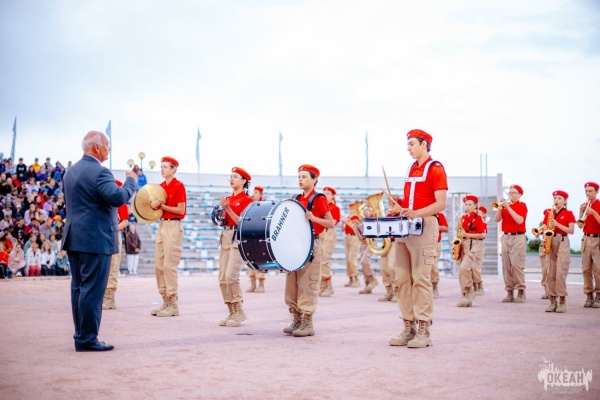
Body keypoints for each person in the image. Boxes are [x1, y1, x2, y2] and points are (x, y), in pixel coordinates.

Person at [62, 130, 137, 352]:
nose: (109, 149)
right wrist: (131, 182)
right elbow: (118, 197)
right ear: (97, 147)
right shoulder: (101, 172)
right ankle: (87, 339)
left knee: (79, 288)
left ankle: (81, 335)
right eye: (107, 145)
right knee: (93, 291)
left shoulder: (70, 172)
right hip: (95, 240)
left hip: (75, 237)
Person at [389, 129, 447, 348]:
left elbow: (441, 204)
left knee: (421, 278)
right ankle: (408, 326)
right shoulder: (411, 168)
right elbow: (411, 201)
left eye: (412, 143)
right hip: (406, 226)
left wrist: (416, 212)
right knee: (402, 278)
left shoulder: (436, 168)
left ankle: (424, 328)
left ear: (424, 144)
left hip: (425, 224)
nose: (408, 148)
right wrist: (401, 207)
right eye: (408, 144)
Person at [283, 164, 334, 337]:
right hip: (297, 244)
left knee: (307, 283)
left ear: (314, 179)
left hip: (312, 243)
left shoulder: (318, 198)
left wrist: (315, 219)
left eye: (304, 177)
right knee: (292, 283)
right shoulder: (296, 198)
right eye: (299, 177)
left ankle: (307, 322)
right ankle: (296, 318)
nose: (300, 180)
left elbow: (331, 223)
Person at [149, 156, 186, 317]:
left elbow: (181, 210)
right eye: (161, 167)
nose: (162, 169)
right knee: (159, 265)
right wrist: (153, 206)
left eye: (165, 167)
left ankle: (173, 303)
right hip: (163, 225)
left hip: (173, 225)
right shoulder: (160, 187)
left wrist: (162, 206)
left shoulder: (178, 186)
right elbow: (157, 209)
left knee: (169, 266)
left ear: (173, 169)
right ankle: (165, 301)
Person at [217, 167, 253, 327]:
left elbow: (241, 222)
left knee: (231, 276)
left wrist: (227, 208)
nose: (232, 179)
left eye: (235, 177)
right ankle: (231, 311)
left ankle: (238, 311)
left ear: (244, 181)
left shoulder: (247, 200)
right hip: (226, 235)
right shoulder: (229, 198)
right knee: (222, 279)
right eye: (230, 177)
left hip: (238, 237)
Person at [543, 190, 575, 313]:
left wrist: (557, 224)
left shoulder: (568, 213)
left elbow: (571, 230)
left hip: (562, 240)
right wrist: (544, 233)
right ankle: (552, 301)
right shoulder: (549, 213)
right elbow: (545, 227)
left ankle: (562, 301)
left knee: (560, 272)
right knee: (550, 272)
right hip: (551, 240)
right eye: (555, 198)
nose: (556, 200)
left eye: (559, 198)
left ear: (565, 201)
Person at [495, 184, 528, 303]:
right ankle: (509, 292)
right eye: (510, 192)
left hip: (518, 236)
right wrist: (500, 207)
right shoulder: (505, 206)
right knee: (506, 265)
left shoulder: (522, 205)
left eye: (514, 192)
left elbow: (519, 220)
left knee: (516, 264)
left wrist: (508, 207)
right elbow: (497, 219)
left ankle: (521, 291)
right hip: (506, 236)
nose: (511, 195)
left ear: (519, 195)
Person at [102, 180, 130, 310]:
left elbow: (125, 221)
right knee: (102, 267)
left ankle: (110, 298)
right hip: (102, 235)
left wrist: (114, 228)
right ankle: (102, 296)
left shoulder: (120, 202)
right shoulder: (102, 201)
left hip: (113, 235)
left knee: (113, 267)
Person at [455, 195, 486, 307]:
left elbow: (482, 234)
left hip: (473, 244)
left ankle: (469, 292)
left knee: (464, 268)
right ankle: (465, 293)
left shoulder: (478, 218)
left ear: (475, 206)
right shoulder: (463, 217)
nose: (467, 207)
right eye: (466, 204)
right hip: (463, 244)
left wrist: (467, 234)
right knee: (462, 270)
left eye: (470, 205)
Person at [579, 181, 600, 308]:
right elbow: (580, 225)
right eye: (586, 191)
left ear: (596, 191)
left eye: (590, 191)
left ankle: (599, 295)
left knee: (598, 270)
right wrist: (582, 214)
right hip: (586, 238)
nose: (588, 193)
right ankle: (589, 295)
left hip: (597, 239)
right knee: (586, 269)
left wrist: (594, 213)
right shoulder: (584, 205)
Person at [379, 196, 402, 302]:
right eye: (389, 204)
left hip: (395, 242)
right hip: (387, 242)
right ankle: (389, 291)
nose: (390, 206)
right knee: (383, 267)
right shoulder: (388, 216)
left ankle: (397, 290)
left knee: (392, 267)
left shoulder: (401, 216)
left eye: (393, 204)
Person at [320, 186, 340, 297]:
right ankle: (322, 285)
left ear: (333, 196)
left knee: (324, 260)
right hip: (321, 233)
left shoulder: (335, 208)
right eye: (324, 193)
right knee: (319, 260)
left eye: (328, 193)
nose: (325, 195)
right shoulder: (321, 207)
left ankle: (328, 286)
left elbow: (332, 222)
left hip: (329, 233)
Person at [246, 185, 267, 293]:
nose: (253, 195)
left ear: (261, 195)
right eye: (253, 192)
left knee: (260, 259)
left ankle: (261, 284)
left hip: (260, 235)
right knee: (250, 257)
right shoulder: (250, 205)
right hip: (250, 235)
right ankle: (252, 283)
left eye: (256, 192)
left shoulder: (264, 206)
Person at [341, 202, 361, 288]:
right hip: (347, 237)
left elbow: (356, 228)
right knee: (347, 259)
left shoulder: (357, 217)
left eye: (353, 208)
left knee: (352, 258)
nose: (351, 210)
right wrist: (343, 222)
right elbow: (343, 229)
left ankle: (356, 278)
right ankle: (350, 278)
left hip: (354, 237)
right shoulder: (349, 216)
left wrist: (347, 221)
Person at [431, 211, 449, 299]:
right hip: (422, 243)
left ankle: (434, 286)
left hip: (435, 243)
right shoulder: (422, 213)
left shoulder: (439, 215)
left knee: (433, 265)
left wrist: (435, 226)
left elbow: (446, 228)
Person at [474, 206, 488, 296]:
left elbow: (482, 235)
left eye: (479, 213)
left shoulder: (483, 223)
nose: (477, 215)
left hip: (479, 244)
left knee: (476, 267)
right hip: (470, 243)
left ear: (484, 215)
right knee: (469, 267)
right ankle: (474, 286)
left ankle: (479, 286)